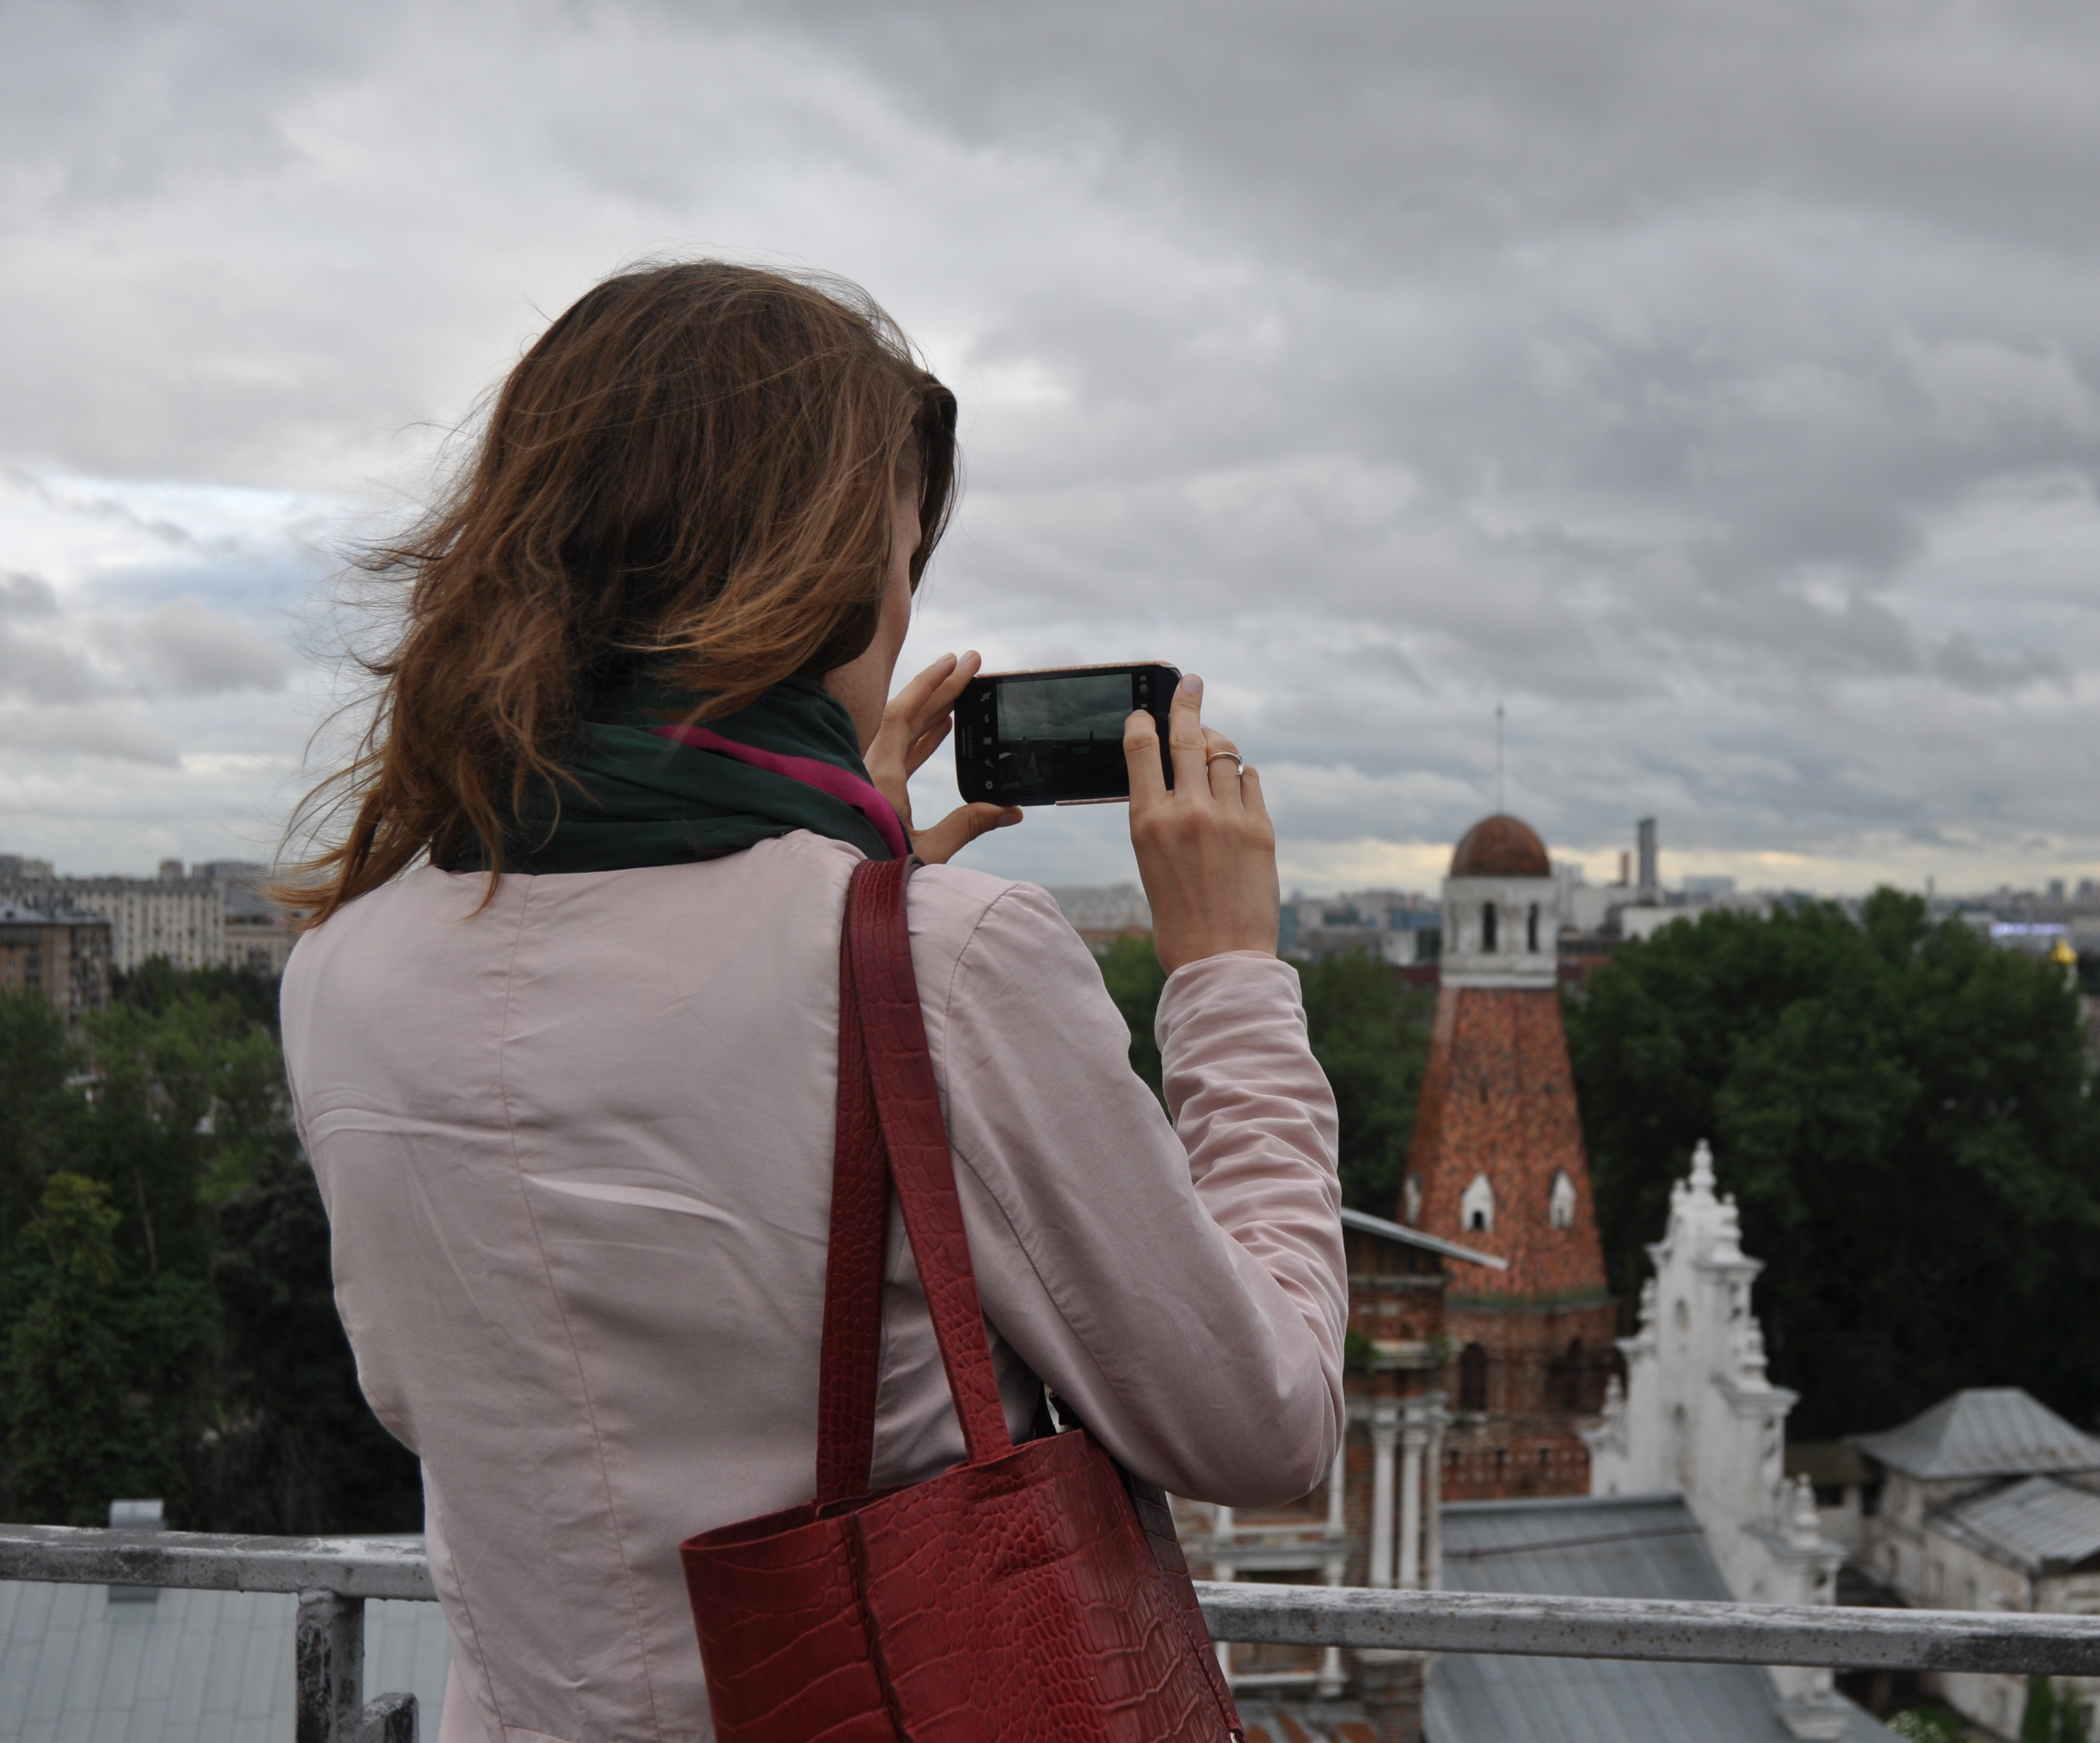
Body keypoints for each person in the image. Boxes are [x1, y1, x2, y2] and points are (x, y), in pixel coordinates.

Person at [277, 262, 1345, 1743]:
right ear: (826, 576)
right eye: (902, 554)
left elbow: (435, 1392)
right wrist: (1229, 978)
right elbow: (1261, 1421)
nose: (908, 606)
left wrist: (845, 866)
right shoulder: (946, 960)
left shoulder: (347, 965)